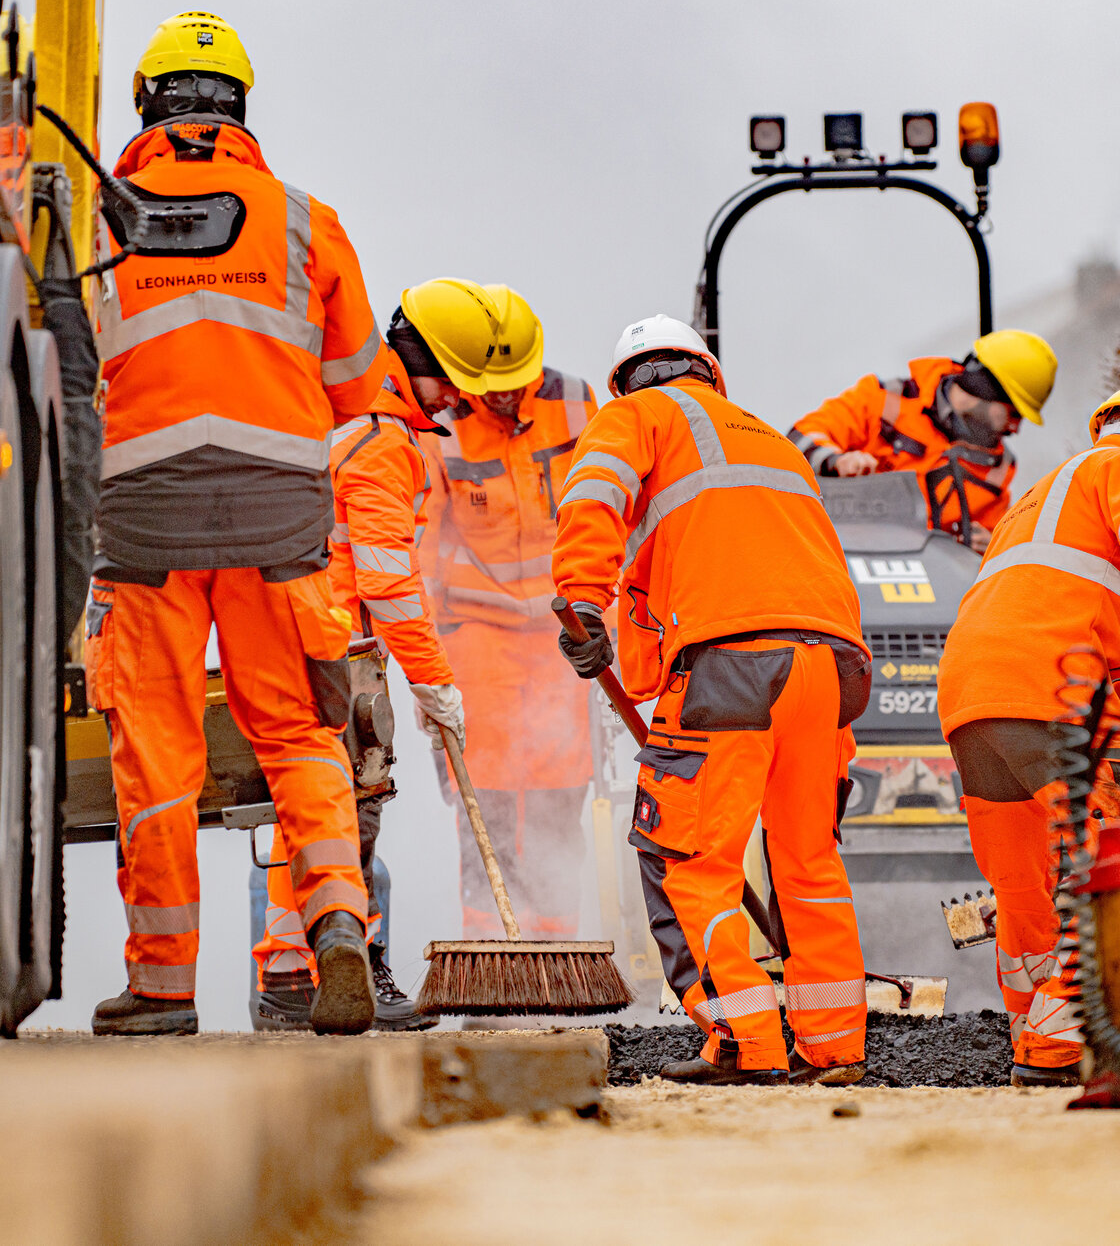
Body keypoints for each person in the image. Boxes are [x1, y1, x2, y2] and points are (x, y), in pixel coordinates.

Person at [86, 11, 384, 1036]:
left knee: (159, 748)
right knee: (300, 734)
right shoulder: (307, 220)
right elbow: (357, 391)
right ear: (240, 111)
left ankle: (164, 986)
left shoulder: (95, 216)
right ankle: (339, 919)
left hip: (144, 521)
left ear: (147, 106)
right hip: (277, 517)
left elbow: (64, 374)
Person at [552, 315, 872, 1086]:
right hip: (828, 668)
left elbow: (593, 495)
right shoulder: (769, 440)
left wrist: (579, 600)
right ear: (707, 373)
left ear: (629, 379)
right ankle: (834, 1048)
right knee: (808, 859)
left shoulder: (637, 415)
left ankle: (746, 1044)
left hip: (731, 666)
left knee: (685, 858)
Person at [935, 383, 1120, 1084]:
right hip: (1054, 684)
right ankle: (1073, 1022)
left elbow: (1049, 613)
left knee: (1025, 885)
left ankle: (1042, 1047)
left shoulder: (1046, 494)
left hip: (975, 698)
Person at [250, 340, 465, 1031]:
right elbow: (388, 584)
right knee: (351, 812)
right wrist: (434, 685)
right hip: (339, 650)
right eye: (456, 384)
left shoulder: (341, 420)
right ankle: (357, 967)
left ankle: (287, 975)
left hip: (297, 637)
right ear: (421, 369)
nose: (459, 401)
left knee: (307, 810)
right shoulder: (381, 441)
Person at [409, 280, 600, 938]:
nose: (503, 396)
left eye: (515, 382)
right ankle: (491, 949)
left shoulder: (577, 402)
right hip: (477, 633)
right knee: (482, 796)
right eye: (491, 384)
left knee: (558, 790)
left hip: (559, 631)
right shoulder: (442, 419)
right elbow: (425, 541)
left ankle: (557, 958)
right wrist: (424, 668)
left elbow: (603, 515)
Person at [787, 332, 1058, 550]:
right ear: (986, 389)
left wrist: (995, 549)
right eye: (1013, 414)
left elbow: (998, 540)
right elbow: (799, 439)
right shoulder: (882, 400)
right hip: (848, 563)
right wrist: (838, 460)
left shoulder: (998, 467)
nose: (1016, 428)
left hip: (932, 601)